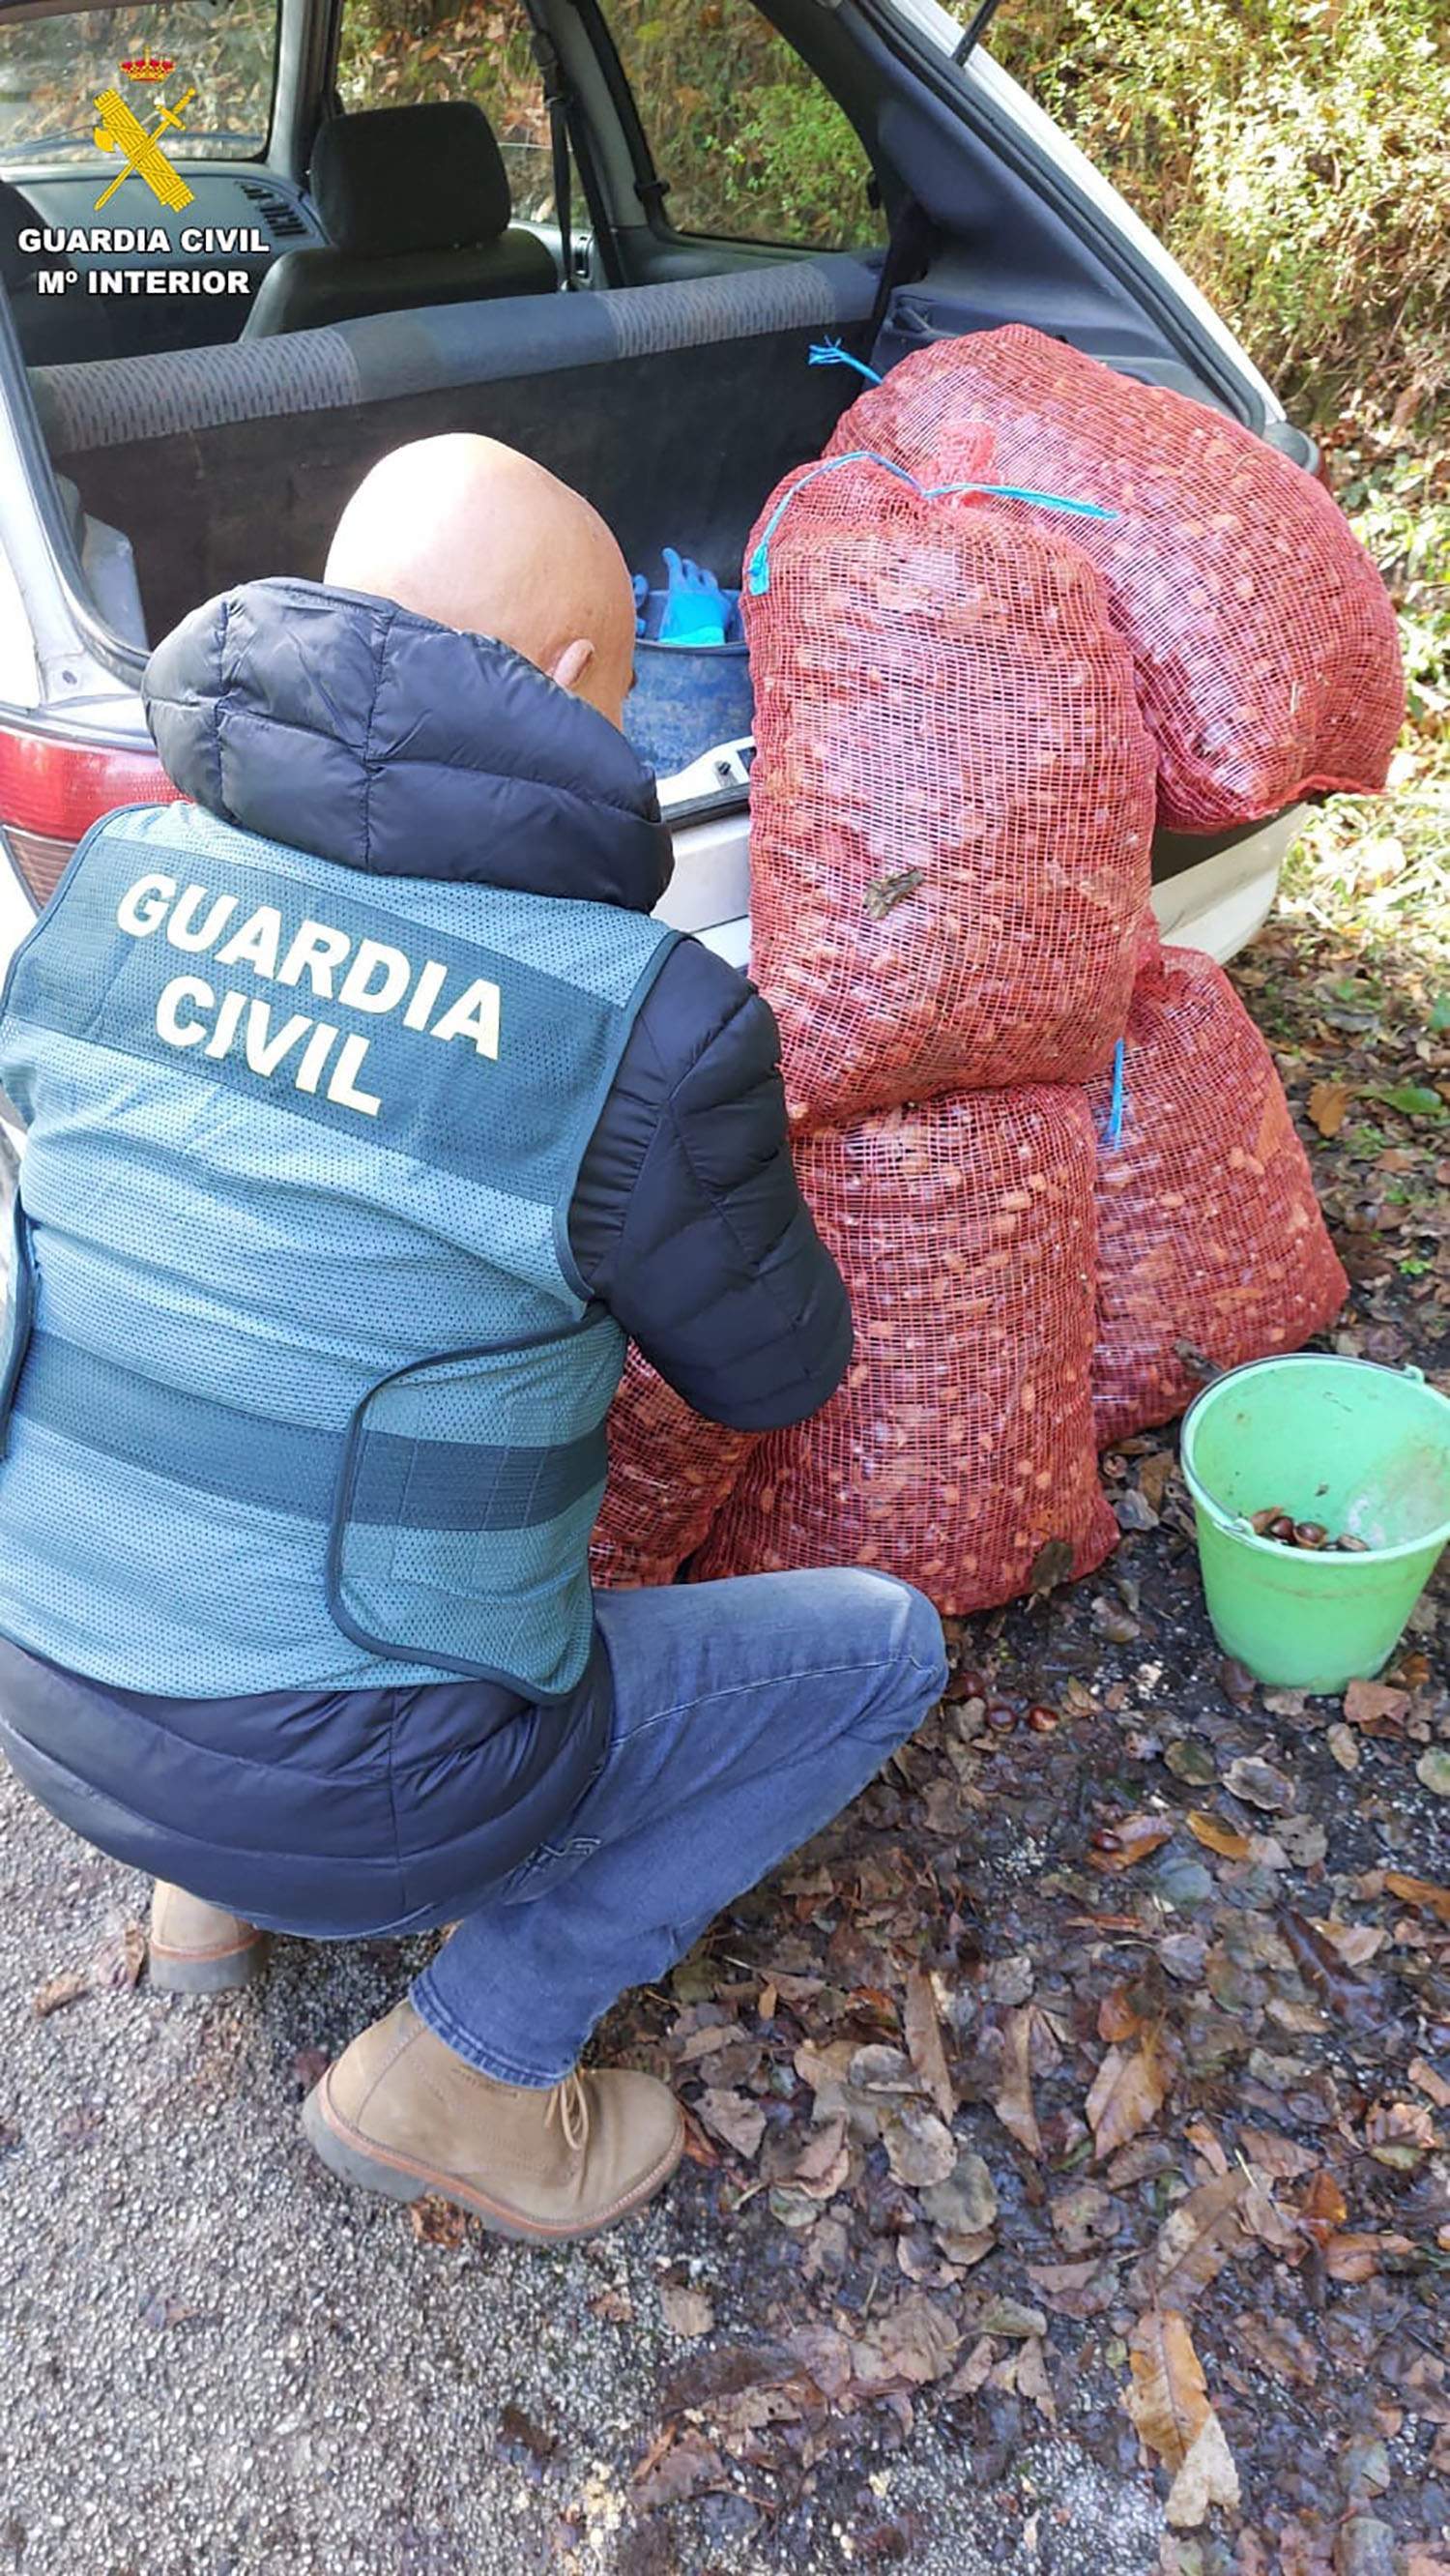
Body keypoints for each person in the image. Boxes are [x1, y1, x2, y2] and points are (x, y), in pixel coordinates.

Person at [0, 435, 946, 2242]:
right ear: (592, 684)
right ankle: (467, 2072)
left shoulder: (108, 880)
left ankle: (203, 1909)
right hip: (372, 1783)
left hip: (43, 1692)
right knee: (878, 1655)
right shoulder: (646, 1020)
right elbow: (777, 1372)